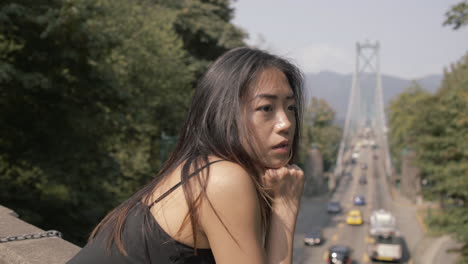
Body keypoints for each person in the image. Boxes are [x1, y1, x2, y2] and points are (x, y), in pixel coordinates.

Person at [67, 47, 305, 264]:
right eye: (266, 108)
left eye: (291, 108)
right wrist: (286, 204)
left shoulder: (200, 168)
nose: (285, 123)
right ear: (226, 113)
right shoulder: (223, 178)